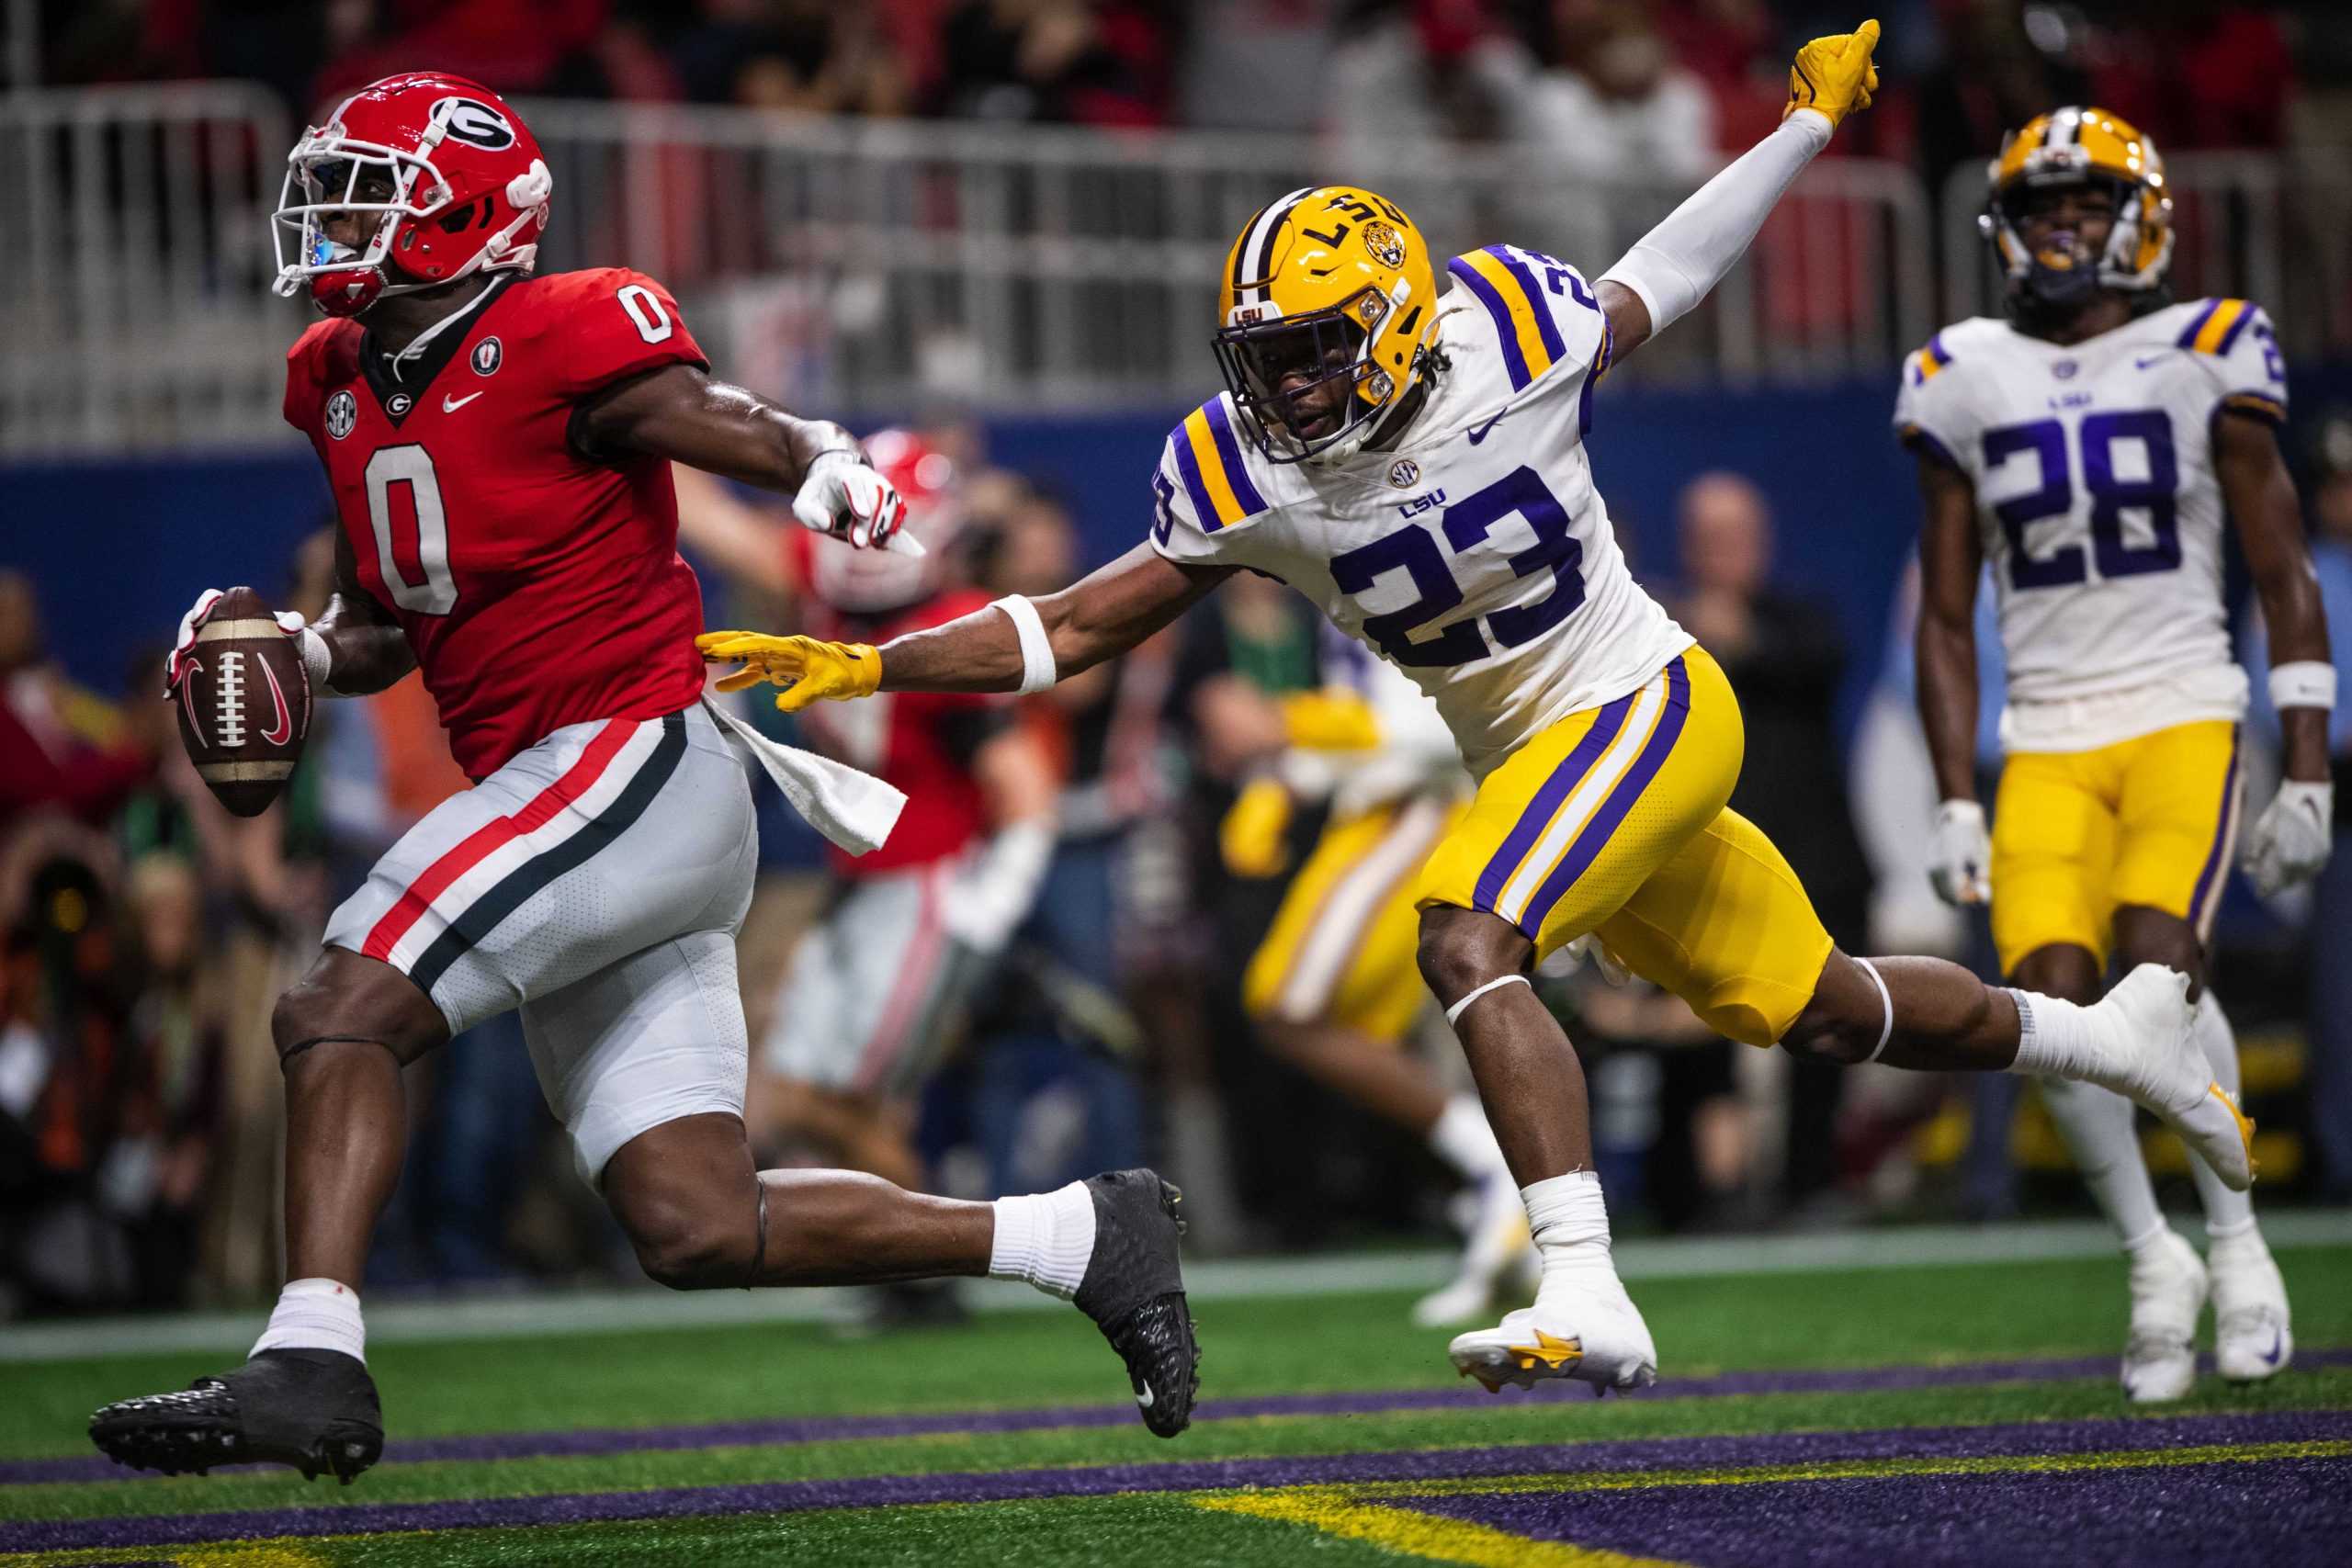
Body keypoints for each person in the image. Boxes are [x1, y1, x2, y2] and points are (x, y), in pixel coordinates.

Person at [702, 22, 2255, 1397]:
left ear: (1387, 318)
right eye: (1269, 360)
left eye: (1314, 354)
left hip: (1642, 701)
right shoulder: (1241, 466)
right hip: (1538, 752)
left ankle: (1585, 1285)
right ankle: (2114, 1044)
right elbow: (1079, 621)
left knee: (1468, 931)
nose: (1289, 390)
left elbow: (1670, 271)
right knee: (1823, 1008)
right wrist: (876, 661)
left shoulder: (1503, 329)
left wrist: (1799, 129)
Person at [88, 73, 1198, 1484]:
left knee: (339, 992)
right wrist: (307, 648)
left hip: (630, 756)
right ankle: (1082, 1234)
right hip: (585, 802)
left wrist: (816, 462)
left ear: (468, 218)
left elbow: (700, 408)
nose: (333, 217)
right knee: (695, 1221)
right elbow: (397, 611)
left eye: (370, 190)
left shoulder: (560, 322)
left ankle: (310, 1355)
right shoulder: (337, 378)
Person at [1904, 107, 2321, 1402]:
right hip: (2047, 731)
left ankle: (2239, 1240)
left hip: (2182, 704)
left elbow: (2282, 569)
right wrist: (1955, 793)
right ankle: (2155, 1256)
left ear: (2142, 217)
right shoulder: (1957, 368)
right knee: (2049, 1013)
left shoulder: (2210, 345)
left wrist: (2304, 760)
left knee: (2164, 977)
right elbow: (1942, 604)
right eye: (2040, 210)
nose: (2063, 227)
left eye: (2084, 204)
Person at [1220, 625, 1528, 1325]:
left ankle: (1498, 1176)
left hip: (1415, 807)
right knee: (1340, 1026)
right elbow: (1370, 711)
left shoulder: (1404, 545)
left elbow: (1433, 721)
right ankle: (1515, 1209)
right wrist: (1291, 772)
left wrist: (1287, 724)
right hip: (1383, 807)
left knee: (1288, 1007)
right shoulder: (1339, 565)